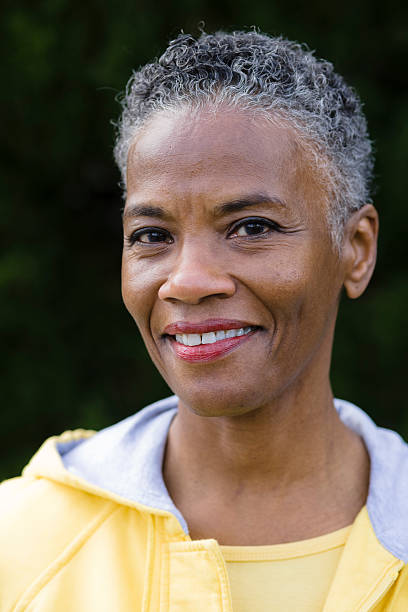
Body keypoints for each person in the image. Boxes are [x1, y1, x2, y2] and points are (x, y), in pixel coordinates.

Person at [1, 29, 407, 612]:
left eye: (252, 228)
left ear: (357, 248)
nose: (187, 280)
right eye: (152, 236)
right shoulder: (19, 548)